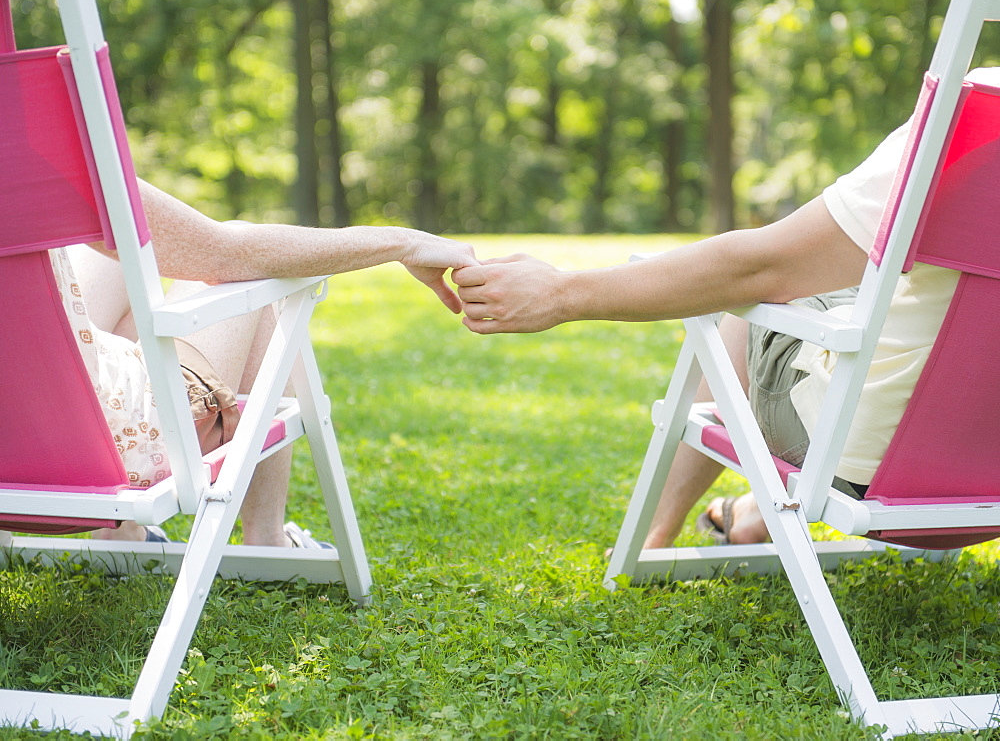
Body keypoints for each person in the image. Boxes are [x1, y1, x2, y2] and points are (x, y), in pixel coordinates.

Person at [450, 68, 999, 547]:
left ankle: (655, 537)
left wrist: (560, 292)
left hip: (877, 467)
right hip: (987, 468)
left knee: (754, 294)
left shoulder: (978, 117)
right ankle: (754, 513)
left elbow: (762, 268)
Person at [64, 179, 477, 547]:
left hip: (13, 442)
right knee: (246, 264)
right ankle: (266, 538)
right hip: (110, 445)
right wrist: (404, 243)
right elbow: (227, 254)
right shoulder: (56, 163)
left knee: (106, 249)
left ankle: (123, 533)